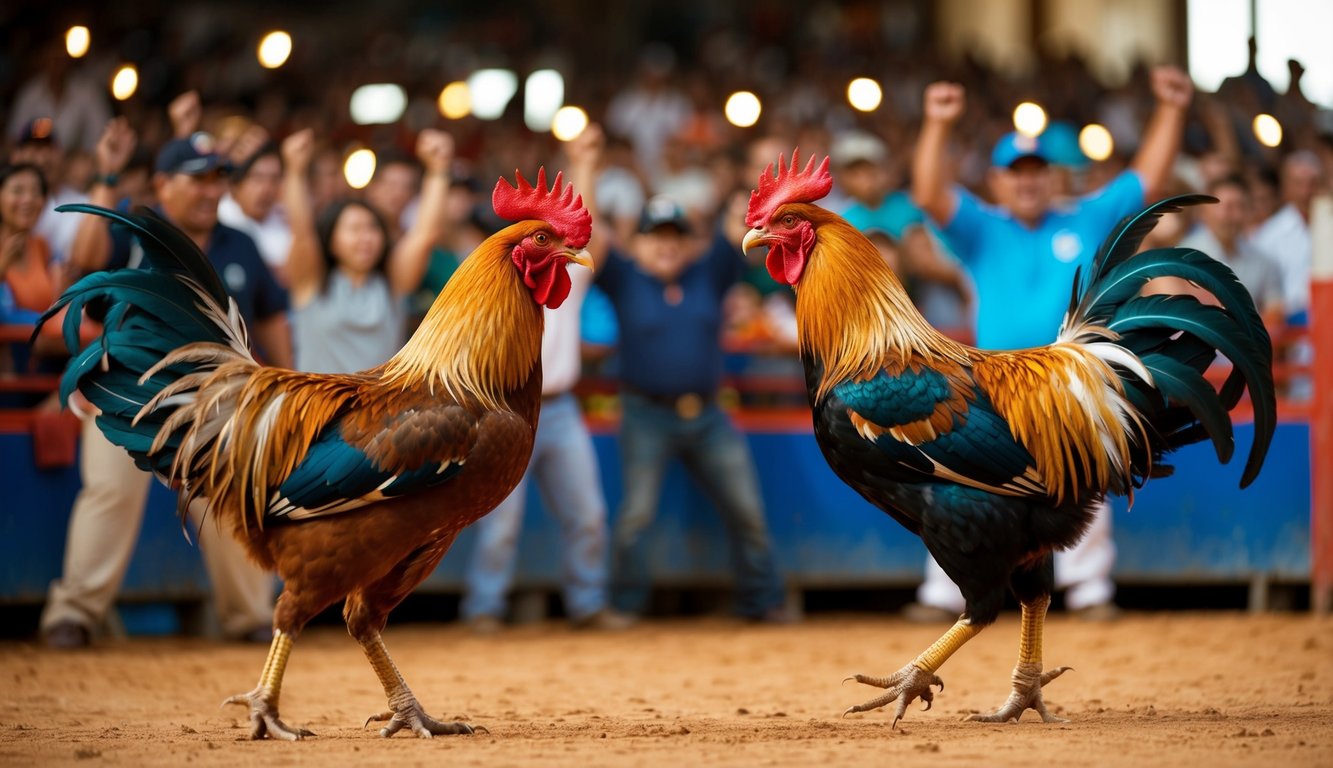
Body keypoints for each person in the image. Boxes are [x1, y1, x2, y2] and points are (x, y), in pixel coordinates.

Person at [906, 65, 1194, 622]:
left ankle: (1089, 591)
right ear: (997, 181)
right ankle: (945, 592)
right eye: (1015, 172)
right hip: (994, 382)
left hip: (1072, 378)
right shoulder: (981, 227)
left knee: (1083, 478)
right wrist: (937, 121)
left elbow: (1146, 182)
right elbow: (927, 192)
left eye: (1036, 171)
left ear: (1055, 176)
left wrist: (1173, 108)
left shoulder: (1088, 216)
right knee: (967, 481)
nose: (1027, 180)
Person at [40, 118, 291, 650]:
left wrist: (289, 386)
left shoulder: (240, 244)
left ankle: (249, 617)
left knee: (234, 498)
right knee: (109, 493)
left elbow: (272, 319)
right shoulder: (130, 230)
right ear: (162, 185)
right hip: (127, 393)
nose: (210, 189)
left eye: (219, 177)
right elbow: (82, 261)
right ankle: (75, 612)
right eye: (197, 178)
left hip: (217, 398)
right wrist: (107, 173)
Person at [460, 125, 631, 633]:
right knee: (500, 524)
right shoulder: (492, 292)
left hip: (558, 408)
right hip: (503, 411)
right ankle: (484, 608)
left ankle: (588, 604)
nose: (553, 244)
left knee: (588, 515)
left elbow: (585, 228)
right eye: (540, 237)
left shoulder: (568, 275)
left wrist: (585, 163)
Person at [598, 193, 791, 623]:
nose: (667, 245)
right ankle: (625, 605)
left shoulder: (709, 273)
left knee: (748, 511)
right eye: (656, 236)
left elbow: (739, 222)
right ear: (638, 242)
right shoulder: (624, 277)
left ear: (688, 242)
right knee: (637, 515)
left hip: (707, 414)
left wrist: (743, 194)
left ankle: (764, 601)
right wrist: (584, 162)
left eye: (675, 237)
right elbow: (589, 235)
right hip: (645, 413)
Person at [281, 128, 450, 374]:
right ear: (331, 240)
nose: (366, 238)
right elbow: (301, 230)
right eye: (354, 229)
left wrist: (438, 170)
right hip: (318, 411)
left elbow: (424, 235)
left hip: (381, 412)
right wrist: (294, 170)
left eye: (372, 229)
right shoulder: (310, 282)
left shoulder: (392, 283)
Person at [1145, 174, 1284, 323]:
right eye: (1228, 207)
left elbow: (1275, 308)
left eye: (1241, 207)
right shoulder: (1183, 256)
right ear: (1205, 212)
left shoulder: (1263, 261)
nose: (1234, 216)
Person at [218, 141, 292, 286]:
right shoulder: (219, 216)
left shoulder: (284, 216)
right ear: (236, 185)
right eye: (258, 178)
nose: (267, 188)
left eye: (274, 179)